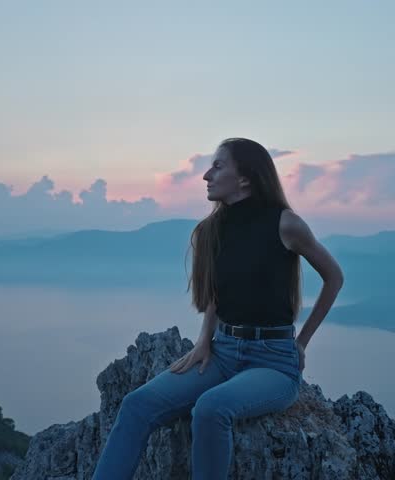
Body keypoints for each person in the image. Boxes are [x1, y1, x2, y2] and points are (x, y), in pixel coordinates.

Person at [91, 137, 344, 479]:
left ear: (245, 178)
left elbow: (334, 277)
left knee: (211, 408)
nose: (206, 175)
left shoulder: (286, 224)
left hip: (273, 361)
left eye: (218, 166)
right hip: (221, 352)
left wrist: (301, 343)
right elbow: (215, 292)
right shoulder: (212, 229)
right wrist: (203, 340)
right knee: (136, 405)